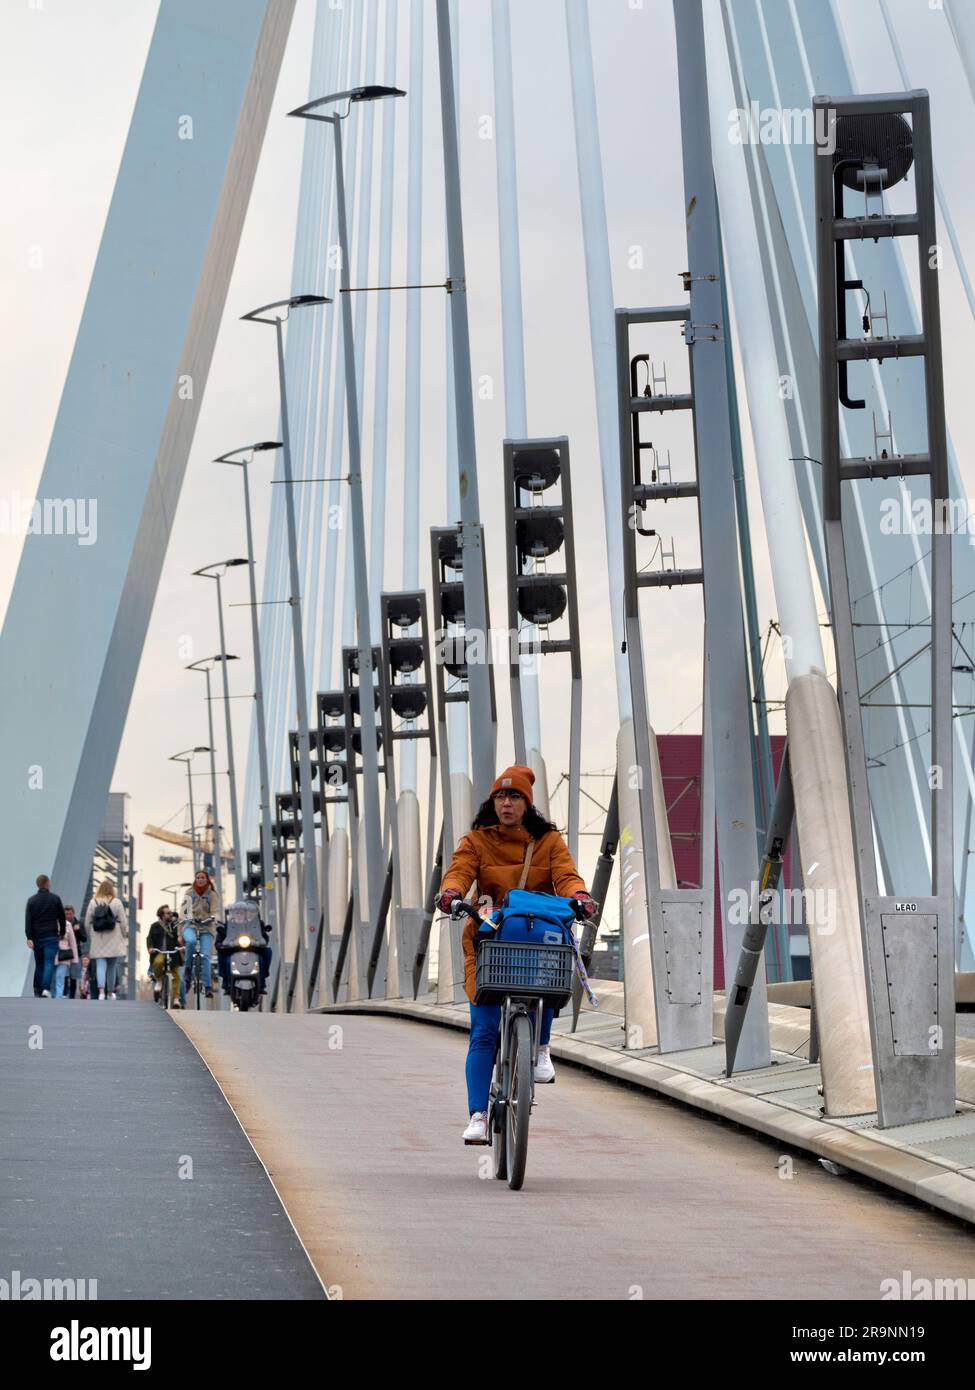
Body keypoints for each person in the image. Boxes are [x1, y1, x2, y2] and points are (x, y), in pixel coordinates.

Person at [437, 765, 595, 1144]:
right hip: (489, 937)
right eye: (501, 796)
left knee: (551, 974)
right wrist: (451, 894)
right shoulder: (476, 840)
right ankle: (477, 1114)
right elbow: (459, 872)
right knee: (485, 1032)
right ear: (493, 802)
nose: (506, 803)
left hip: (531, 932)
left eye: (515, 797)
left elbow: (566, 875)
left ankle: (540, 1048)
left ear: (527, 803)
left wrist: (579, 896)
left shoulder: (548, 841)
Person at [180, 870, 222, 1001]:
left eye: (202, 877)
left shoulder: (212, 895)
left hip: (206, 927)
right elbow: (183, 912)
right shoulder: (189, 893)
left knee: (205, 955)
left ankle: (208, 986)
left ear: (207, 879)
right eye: (198, 877)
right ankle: (188, 969)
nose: (200, 879)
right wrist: (185, 921)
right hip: (190, 925)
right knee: (191, 941)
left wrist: (214, 918)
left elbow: (215, 911)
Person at [84, 879, 129, 1000]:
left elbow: (87, 922)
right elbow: (124, 922)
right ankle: (110, 993)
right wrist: (124, 935)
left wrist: (90, 935)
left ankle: (101, 992)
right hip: (114, 937)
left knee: (100, 964)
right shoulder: (117, 902)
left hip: (98, 937)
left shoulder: (93, 902)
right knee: (112, 966)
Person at [25, 874, 67, 998]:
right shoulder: (55, 899)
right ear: (47, 883)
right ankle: (45, 989)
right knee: (49, 962)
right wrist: (62, 932)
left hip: (37, 937)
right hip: (51, 935)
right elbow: (62, 918)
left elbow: (28, 921)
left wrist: (29, 937)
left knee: (39, 963)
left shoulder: (31, 901)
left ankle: (37, 989)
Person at [147, 904, 182, 1008]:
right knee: (158, 963)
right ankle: (159, 980)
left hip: (173, 953)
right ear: (162, 915)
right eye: (168, 913)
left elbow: (179, 938)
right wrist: (150, 948)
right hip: (159, 952)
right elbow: (149, 938)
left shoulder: (175, 925)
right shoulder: (155, 926)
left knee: (176, 975)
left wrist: (182, 946)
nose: (170, 914)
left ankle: (176, 999)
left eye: (171, 912)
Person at [53, 911, 79, 998]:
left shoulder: (67, 924)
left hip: (64, 956)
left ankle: (58, 997)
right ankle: (52, 997)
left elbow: (73, 943)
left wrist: (75, 959)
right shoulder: (48, 923)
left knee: (60, 977)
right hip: (51, 955)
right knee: (52, 978)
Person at [64, 905, 88, 999]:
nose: (68, 916)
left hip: (76, 953)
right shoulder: (61, 923)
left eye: (70, 914)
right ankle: (64, 994)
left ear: (73, 914)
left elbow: (84, 939)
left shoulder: (79, 923)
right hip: (64, 953)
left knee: (74, 976)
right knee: (65, 975)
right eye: (66, 914)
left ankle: (72, 997)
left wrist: (77, 931)